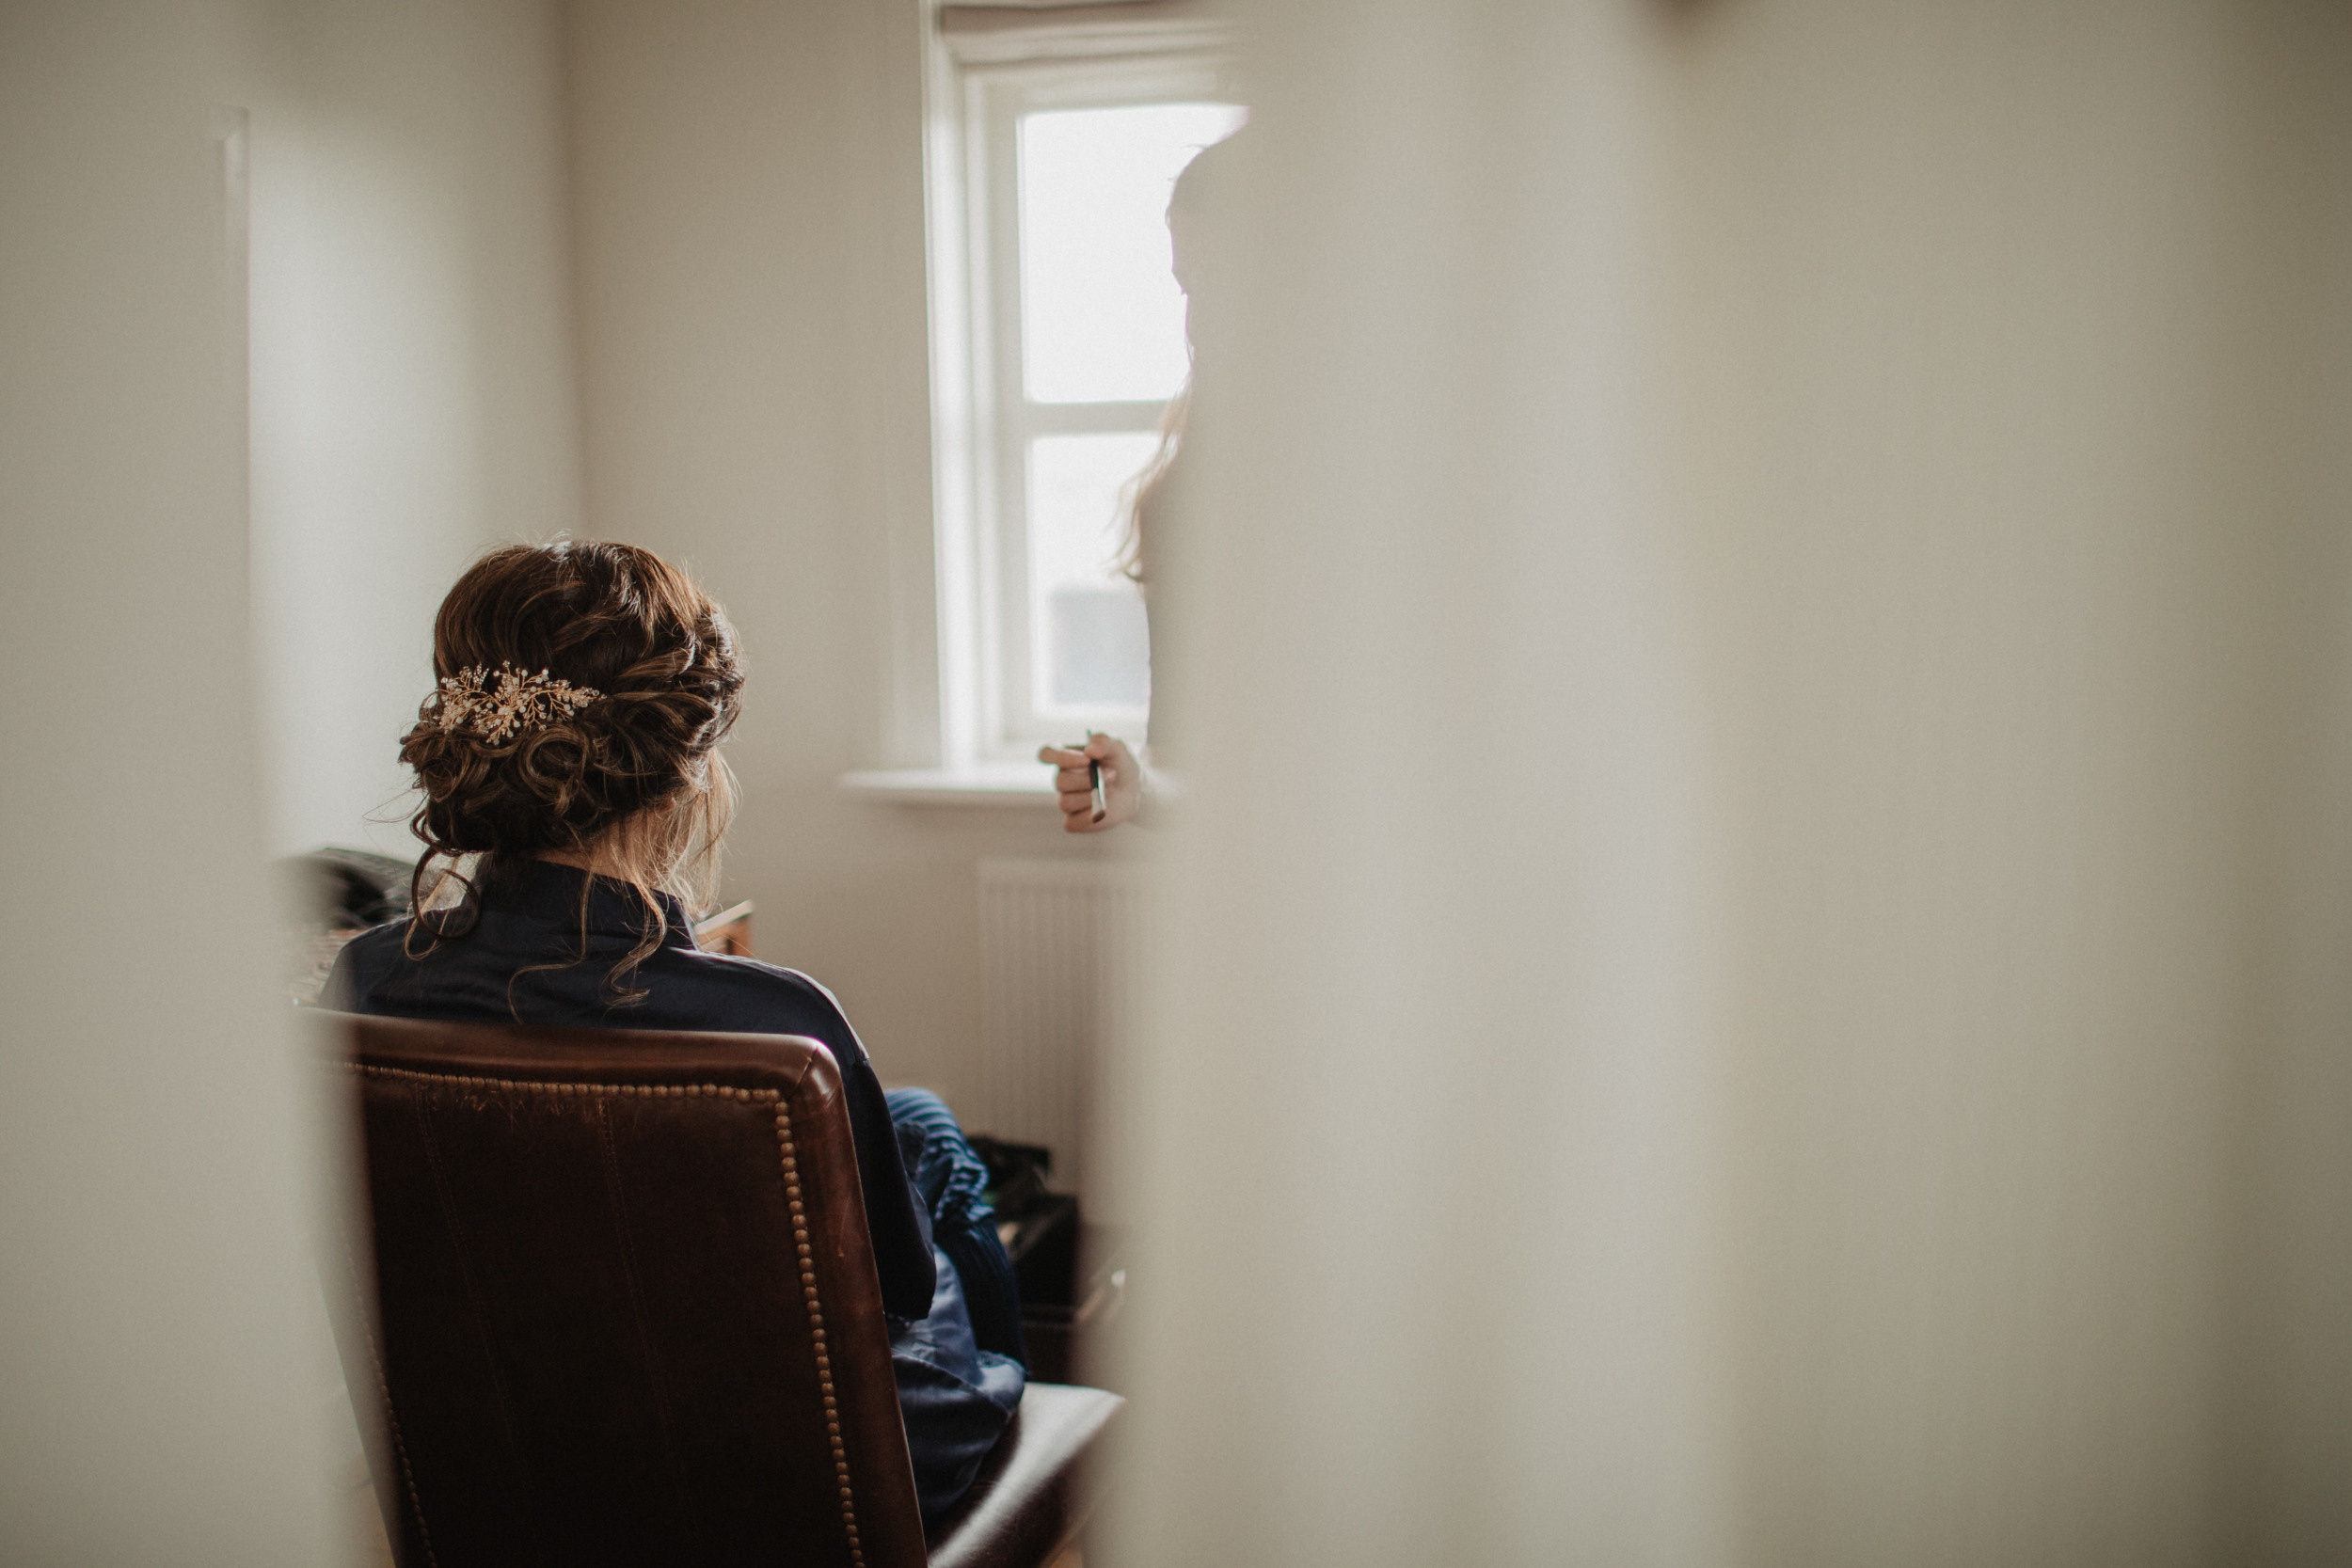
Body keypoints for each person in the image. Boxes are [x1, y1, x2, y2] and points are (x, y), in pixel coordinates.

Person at [326, 539, 1024, 1523]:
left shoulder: (364, 981)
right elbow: (899, 1290)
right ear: (687, 768)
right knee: (938, 1158)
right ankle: (1010, 1423)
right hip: (802, 1477)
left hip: (523, 1460)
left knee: (911, 1117)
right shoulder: (778, 1022)